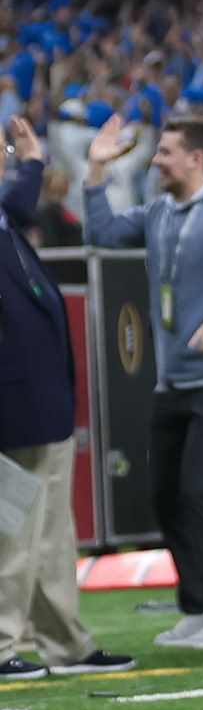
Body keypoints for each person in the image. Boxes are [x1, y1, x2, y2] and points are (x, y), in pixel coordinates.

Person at [82, 115, 203, 648]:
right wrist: (95, 169)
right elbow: (102, 233)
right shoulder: (159, 210)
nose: (156, 161)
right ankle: (198, 608)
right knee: (166, 495)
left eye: (166, 153)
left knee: (201, 490)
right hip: (172, 383)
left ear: (196, 159)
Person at [0, 116, 136, 680]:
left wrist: (33, 161)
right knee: (10, 532)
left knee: (53, 534)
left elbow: (18, 202)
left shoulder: (5, 221)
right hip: (11, 411)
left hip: (42, 405)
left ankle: (65, 643)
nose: (1, 157)